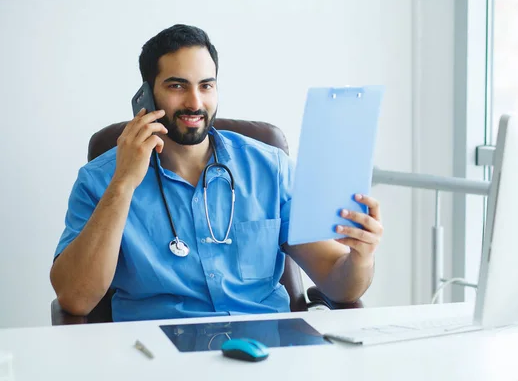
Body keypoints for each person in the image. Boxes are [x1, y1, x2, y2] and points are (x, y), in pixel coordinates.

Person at [49, 24, 384, 322]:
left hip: (268, 351)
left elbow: (339, 285)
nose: (195, 102)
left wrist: (360, 258)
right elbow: (76, 300)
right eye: (177, 86)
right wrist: (123, 184)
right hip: (158, 355)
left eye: (206, 86)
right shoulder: (100, 180)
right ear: (147, 96)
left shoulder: (270, 169)